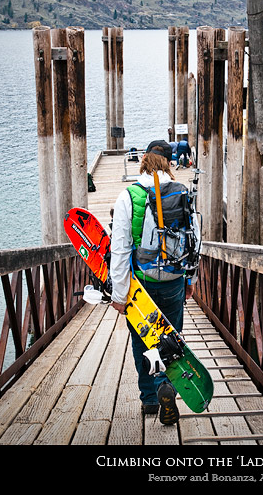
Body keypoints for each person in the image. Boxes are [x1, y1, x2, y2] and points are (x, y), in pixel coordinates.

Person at [108, 139, 199, 425]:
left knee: (142, 339)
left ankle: (149, 398)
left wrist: (119, 294)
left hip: (140, 286)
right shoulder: (182, 192)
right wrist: (191, 279)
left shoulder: (129, 196)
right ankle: (167, 385)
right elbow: (194, 241)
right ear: (171, 162)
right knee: (170, 338)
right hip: (173, 280)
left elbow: (120, 249)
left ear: (145, 160)